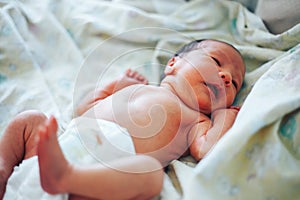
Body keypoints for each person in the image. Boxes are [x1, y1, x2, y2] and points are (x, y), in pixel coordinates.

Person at [0, 39, 245, 200]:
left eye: (234, 83)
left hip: (93, 182)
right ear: (173, 64)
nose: (225, 77)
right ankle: (3, 167)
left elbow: (205, 149)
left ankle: (65, 176)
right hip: (49, 157)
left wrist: (226, 117)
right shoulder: (140, 89)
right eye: (215, 62)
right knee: (32, 119)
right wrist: (113, 86)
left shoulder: (197, 121)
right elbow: (84, 111)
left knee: (150, 175)